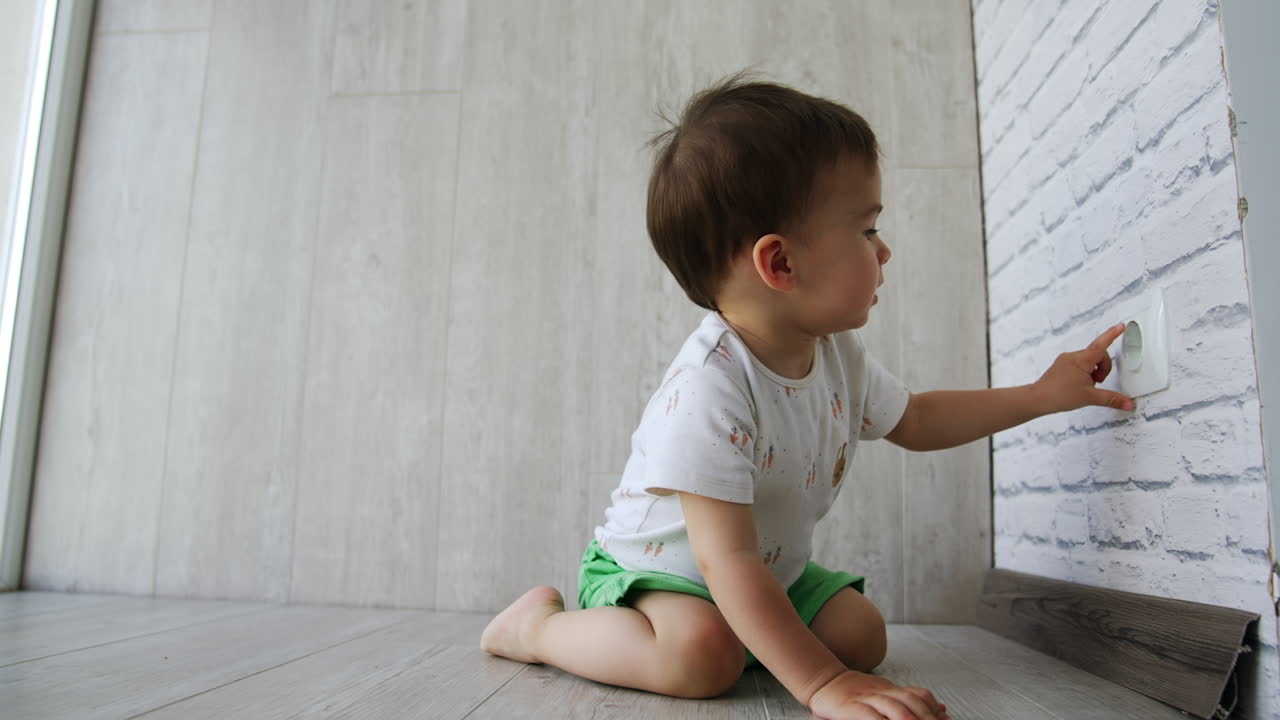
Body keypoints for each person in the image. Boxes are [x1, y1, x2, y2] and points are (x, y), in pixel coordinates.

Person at [481, 72, 1133, 720]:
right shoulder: (709, 390)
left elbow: (918, 417)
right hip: (659, 579)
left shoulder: (834, 354)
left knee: (862, 636)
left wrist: (1041, 396)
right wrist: (822, 686)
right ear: (782, 264)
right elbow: (724, 558)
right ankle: (536, 629)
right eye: (867, 230)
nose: (885, 251)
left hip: (765, 571)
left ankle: (753, 637)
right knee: (703, 657)